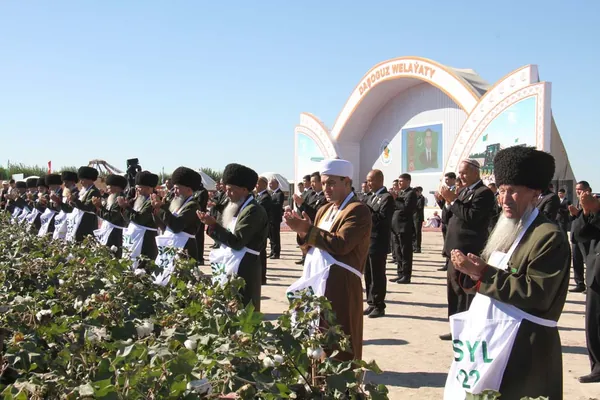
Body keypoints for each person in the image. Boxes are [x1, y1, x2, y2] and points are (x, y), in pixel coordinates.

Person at [445, 146, 569, 399]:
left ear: (534, 193)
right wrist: (470, 274)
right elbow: (490, 278)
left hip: (526, 346)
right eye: (502, 191)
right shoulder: (506, 229)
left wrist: (483, 274)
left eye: (513, 191)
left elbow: (537, 294)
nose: (505, 199)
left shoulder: (548, 236)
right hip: (493, 340)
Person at [285, 159, 372, 361]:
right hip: (316, 282)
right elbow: (309, 247)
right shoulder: (324, 210)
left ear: (347, 182)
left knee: (338, 338)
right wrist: (302, 232)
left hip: (340, 284)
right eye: (323, 183)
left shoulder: (357, 210)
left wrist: (307, 229)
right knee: (314, 337)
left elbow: (341, 244)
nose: (326, 188)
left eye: (332, 183)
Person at [198, 163, 268, 311]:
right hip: (232, 263)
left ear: (244, 190)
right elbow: (226, 238)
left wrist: (214, 225)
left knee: (244, 309)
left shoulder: (253, 210)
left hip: (245, 267)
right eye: (226, 190)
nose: (227, 194)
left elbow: (237, 242)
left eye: (231, 190)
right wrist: (211, 225)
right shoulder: (237, 207)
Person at [438, 159, 495, 341]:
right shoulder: (463, 191)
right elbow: (449, 217)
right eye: (459, 173)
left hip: (468, 250)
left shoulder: (483, 193)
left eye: (464, 173)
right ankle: (455, 327)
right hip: (453, 250)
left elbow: (472, 217)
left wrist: (453, 200)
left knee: (466, 292)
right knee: (453, 291)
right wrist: (447, 203)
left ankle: (467, 329)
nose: (460, 177)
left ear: (475, 172)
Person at [153, 167, 203, 261]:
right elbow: (164, 226)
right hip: (170, 247)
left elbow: (176, 226)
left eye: (177, 188)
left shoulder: (192, 206)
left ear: (188, 190)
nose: (174, 192)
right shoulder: (175, 203)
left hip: (185, 249)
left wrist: (162, 209)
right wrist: (156, 209)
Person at [363, 169, 394, 318]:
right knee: (368, 274)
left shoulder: (387, 197)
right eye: (367, 180)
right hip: (368, 242)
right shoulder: (371, 197)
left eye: (371, 180)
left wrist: (368, 210)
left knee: (378, 275)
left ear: (379, 180)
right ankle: (370, 302)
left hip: (379, 242)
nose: (368, 183)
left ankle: (379, 305)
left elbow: (383, 220)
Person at [576, 191, 600, 383]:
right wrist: (585, 211)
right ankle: (598, 368)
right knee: (594, 324)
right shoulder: (593, 209)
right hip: (596, 274)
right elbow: (579, 235)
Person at [119, 171, 160, 265]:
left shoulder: (152, 201)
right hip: (133, 238)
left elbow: (140, 219)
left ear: (149, 188)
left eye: (139, 187)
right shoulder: (137, 199)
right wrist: (127, 205)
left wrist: (126, 207)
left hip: (146, 239)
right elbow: (128, 218)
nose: (136, 190)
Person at [54, 167, 101, 242]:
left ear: (89, 179)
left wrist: (74, 200)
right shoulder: (83, 191)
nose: (81, 182)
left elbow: (88, 207)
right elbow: (71, 209)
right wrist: (61, 202)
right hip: (76, 222)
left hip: (87, 223)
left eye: (82, 179)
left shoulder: (94, 191)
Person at [293, 172, 327, 265]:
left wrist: (302, 204)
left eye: (314, 182)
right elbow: (305, 208)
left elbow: (316, 213)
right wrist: (299, 204)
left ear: (321, 182)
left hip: (317, 230)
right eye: (311, 182)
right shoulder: (311, 195)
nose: (311, 184)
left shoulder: (325, 197)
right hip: (308, 229)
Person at [389, 173, 417, 284]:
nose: (399, 183)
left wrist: (396, 199)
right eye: (399, 181)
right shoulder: (401, 193)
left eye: (401, 181)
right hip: (396, 228)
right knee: (398, 251)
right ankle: (400, 273)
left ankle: (406, 275)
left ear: (408, 181)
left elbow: (407, 209)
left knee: (405, 253)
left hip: (404, 228)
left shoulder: (411, 193)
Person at [92, 174, 128, 257]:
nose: (107, 190)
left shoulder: (120, 199)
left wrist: (100, 206)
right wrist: (97, 207)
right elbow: (103, 214)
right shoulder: (111, 197)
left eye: (109, 188)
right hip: (107, 229)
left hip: (115, 233)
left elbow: (112, 217)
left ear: (116, 187)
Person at [569, 181, 593, 293]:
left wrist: (577, 213)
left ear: (587, 189)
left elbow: (590, 218)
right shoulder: (576, 201)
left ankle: (590, 285)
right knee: (576, 260)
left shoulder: (592, 201)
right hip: (575, 236)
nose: (578, 191)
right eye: (576, 189)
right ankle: (579, 284)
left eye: (580, 189)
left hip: (586, 237)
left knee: (588, 261)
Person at [435, 172, 457, 271]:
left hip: (451, 220)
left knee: (451, 244)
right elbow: (444, 207)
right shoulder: (446, 190)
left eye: (448, 179)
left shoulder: (456, 190)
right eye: (445, 180)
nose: (446, 181)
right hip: (445, 220)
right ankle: (447, 263)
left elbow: (454, 206)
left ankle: (451, 264)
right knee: (446, 243)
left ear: (453, 179)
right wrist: (439, 200)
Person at [255, 176, 272, 285]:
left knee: (261, 254)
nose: (256, 186)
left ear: (264, 185)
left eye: (257, 183)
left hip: (261, 230)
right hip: (256, 230)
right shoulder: (258, 196)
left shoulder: (265, 197)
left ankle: (262, 277)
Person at [268, 178, 284, 259]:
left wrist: (269, 204)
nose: (270, 185)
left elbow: (278, 205)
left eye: (271, 183)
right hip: (270, 218)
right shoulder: (272, 193)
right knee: (271, 236)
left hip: (276, 218)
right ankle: (272, 251)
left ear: (276, 184)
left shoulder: (279, 193)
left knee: (275, 236)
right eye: (269, 184)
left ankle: (276, 253)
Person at [413, 186, 425, 253]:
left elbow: (419, 207)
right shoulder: (415, 198)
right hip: (413, 217)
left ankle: (418, 247)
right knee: (413, 233)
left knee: (417, 232)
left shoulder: (421, 198)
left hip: (418, 217)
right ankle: (414, 246)